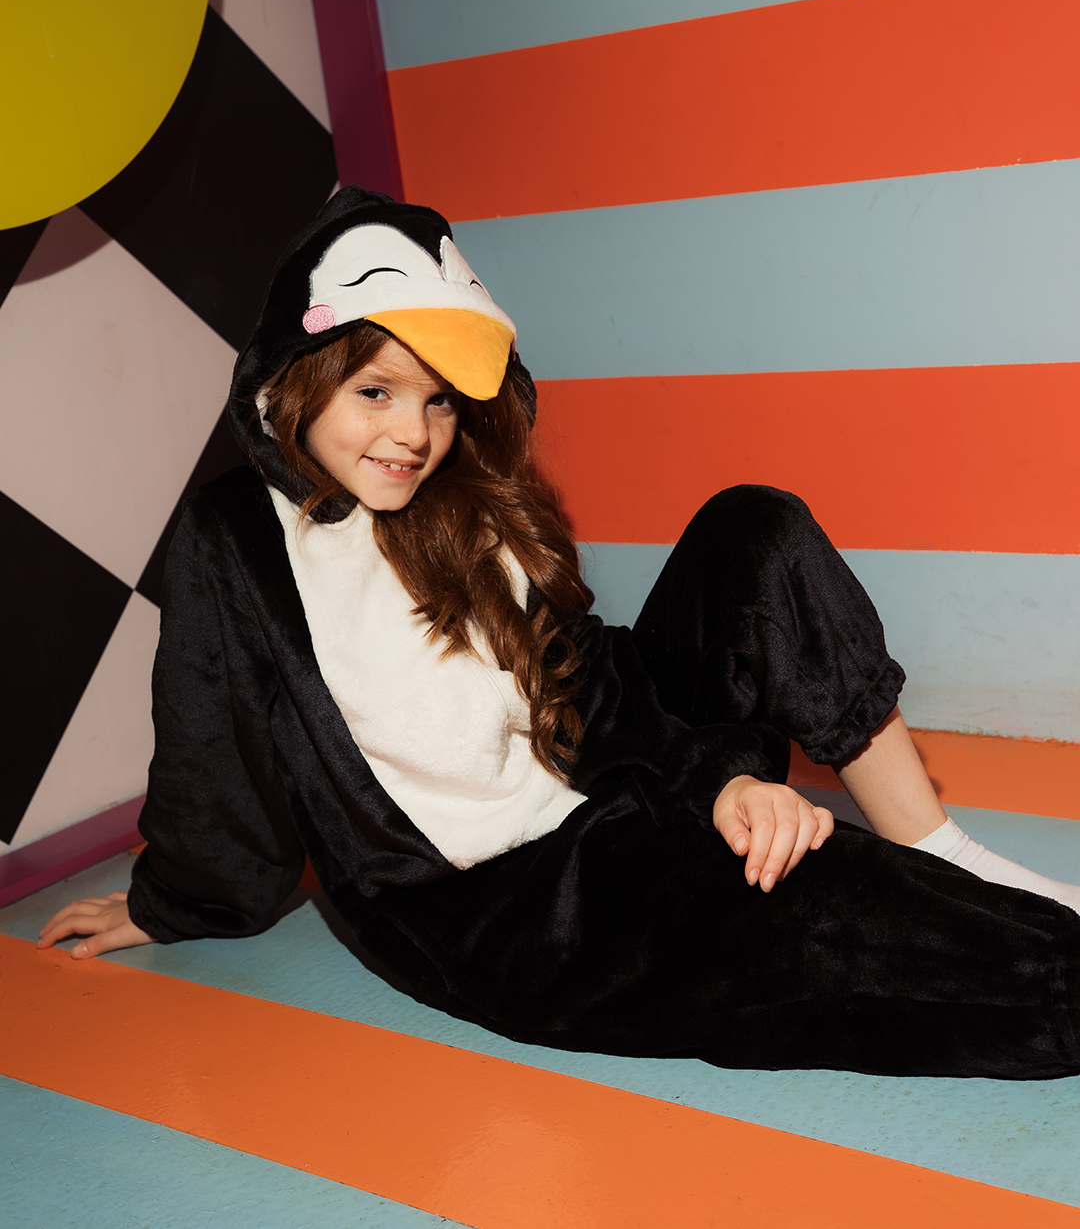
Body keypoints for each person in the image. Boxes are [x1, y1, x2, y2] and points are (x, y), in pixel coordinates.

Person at [39, 187, 1080, 1078]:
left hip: (604, 772)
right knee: (845, 919)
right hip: (509, 901)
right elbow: (210, 734)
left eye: (441, 402)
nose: (413, 433)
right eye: (375, 391)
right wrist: (173, 903)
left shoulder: (457, 501)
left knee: (752, 529)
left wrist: (714, 781)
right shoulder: (238, 537)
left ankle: (937, 844)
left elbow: (582, 682)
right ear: (294, 380)